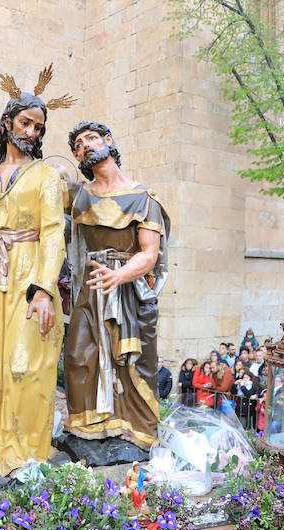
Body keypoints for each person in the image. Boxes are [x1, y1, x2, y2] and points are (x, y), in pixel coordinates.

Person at [0, 66, 72, 476]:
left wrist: (44, 290)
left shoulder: (45, 175)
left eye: (38, 126)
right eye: (25, 122)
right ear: (7, 123)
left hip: (29, 275)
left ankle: (26, 458)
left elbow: (52, 235)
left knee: (26, 365)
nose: (31, 131)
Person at [61, 120, 170, 452]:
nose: (85, 146)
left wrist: (119, 276)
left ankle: (135, 429)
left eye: (91, 139)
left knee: (135, 363)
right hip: (92, 287)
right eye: (78, 145)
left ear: (108, 141)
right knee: (79, 355)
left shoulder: (143, 198)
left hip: (130, 291)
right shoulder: (77, 196)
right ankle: (90, 426)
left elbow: (149, 254)